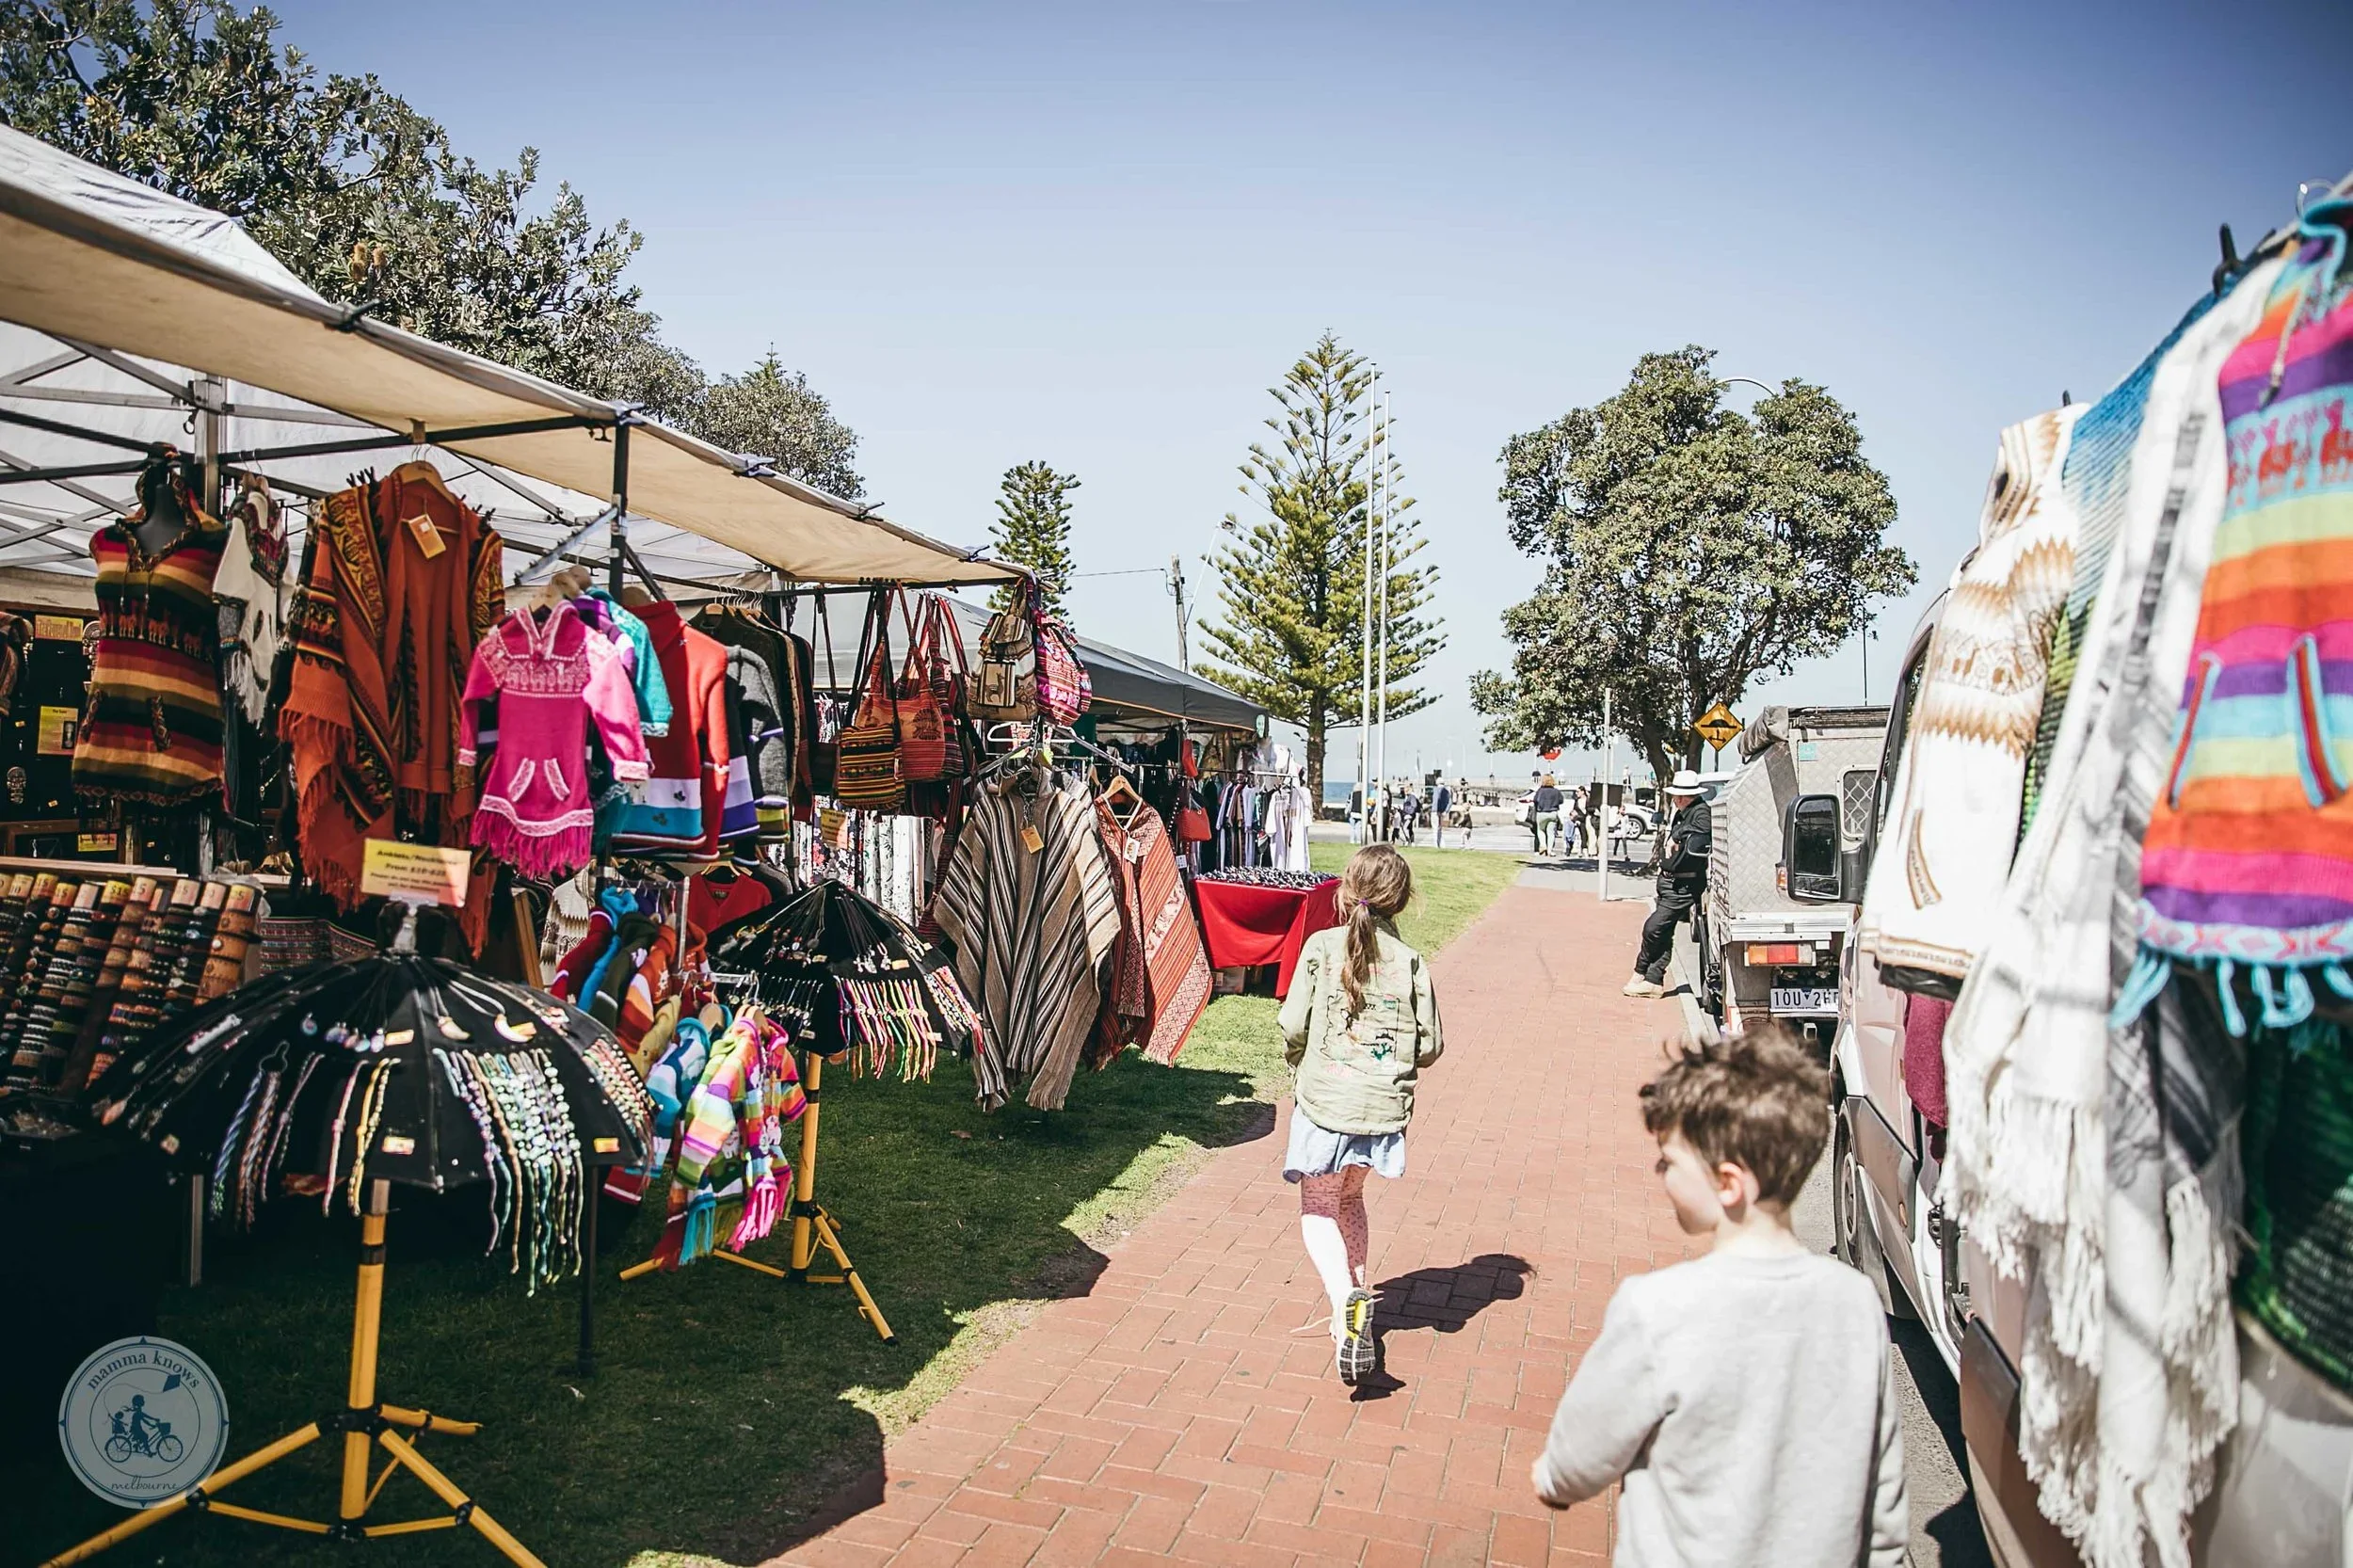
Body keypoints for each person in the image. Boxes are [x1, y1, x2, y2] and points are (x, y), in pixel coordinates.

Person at [1530, 1029, 1906, 1565]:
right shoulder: (1854, 1302)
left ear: (1728, 1183)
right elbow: (1883, 1497)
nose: (1661, 1174)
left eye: (1669, 1162)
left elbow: (1579, 1455)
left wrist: (1551, 1478)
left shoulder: (1658, 1308)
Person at [1278, 844, 1443, 1384]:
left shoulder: (1322, 948)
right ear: (1403, 900)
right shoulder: (1411, 961)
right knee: (1351, 1197)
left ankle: (1345, 1298)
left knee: (1319, 1206)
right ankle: (1352, 1315)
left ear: (1346, 892)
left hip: (1327, 1101)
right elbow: (1430, 1043)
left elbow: (1293, 1025)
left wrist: (1299, 1062)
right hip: (1381, 1109)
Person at [1625, 770, 1709, 998]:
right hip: (1670, 881)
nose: (1674, 800)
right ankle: (1653, 979)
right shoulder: (1682, 813)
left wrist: (1676, 836)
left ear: (1682, 797)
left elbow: (1702, 829)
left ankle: (1641, 971)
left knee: (1653, 927)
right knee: (1663, 932)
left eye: (1675, 796)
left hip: (1683, 885)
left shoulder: (1700, 812)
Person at [1531, 773, 1564, 857]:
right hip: (1553, 813)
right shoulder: (1556, 791)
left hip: (1542, 812)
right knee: (1551, 833)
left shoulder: (1540, 791)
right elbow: (1561, 801)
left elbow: (1535, 800)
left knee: (1541, 830)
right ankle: (1550, 850)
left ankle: (1543, 845)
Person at [1433, 779, 1453, 848]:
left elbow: (1437, 800)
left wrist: (1437, 810)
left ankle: (1436, 844)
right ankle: (1442, 844)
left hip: (1435, 811)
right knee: (1439, 828)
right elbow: (1450, 802)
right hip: (1442, 811)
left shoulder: (1436, 790)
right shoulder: (1447, 791)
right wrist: (1445, 811)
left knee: (1435, 828)